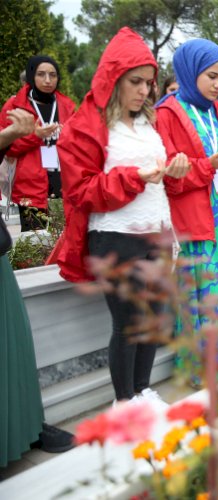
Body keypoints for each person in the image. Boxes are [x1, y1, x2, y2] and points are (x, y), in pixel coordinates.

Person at [56, 27, 189, 406]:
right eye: (135, 82)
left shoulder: (150, 123)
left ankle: (143, 389)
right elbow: (81, 191)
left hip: (158, 233)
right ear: (113, 79)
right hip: (116, 236)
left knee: (153, 319)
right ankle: (124, 401)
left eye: (148, 82)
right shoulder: (86, 125)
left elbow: (165, 181)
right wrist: (134, 177)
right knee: (128, 324)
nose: (145, 90)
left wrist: (178, 171)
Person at [155, 39, 218, 378]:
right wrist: (209, 165)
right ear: (190, 71)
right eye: (212, 76)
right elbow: (169, 177)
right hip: (195, 219)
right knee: (203, 293)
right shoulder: (167, 113)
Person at [1, 108, 74, 467]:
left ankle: (26, 427)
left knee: (13, 344)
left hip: (1, 253)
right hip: (28, 199)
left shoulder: (61, 104)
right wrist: (14, 135)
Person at [0, 55, 76, 232]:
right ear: (31, 76)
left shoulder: (66, 105)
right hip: (30, 185)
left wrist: (66, 137)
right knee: (35, 241)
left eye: (53, 75)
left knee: (64, 238)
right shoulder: (16, 105)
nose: (48, 80)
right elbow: (7, 149)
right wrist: (36, 135)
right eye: (41, 74)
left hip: (64, 182)